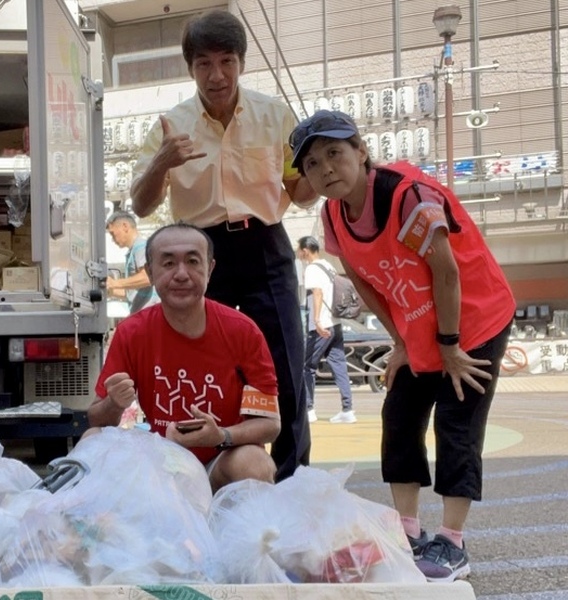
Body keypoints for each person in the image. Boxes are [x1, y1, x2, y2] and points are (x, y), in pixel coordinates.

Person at [290, 109, 515, 582]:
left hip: (474, 320)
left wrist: (450, 347)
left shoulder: (407, 196)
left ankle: (452, 545)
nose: (325, 168)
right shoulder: (333, 213)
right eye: (312, 163)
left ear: (362, 151)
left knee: (458, 421)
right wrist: (402, 342)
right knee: (400, 417)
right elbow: (362, 278)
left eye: (334, 153)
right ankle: (406, 532)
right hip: (423, 325)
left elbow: (446, 272)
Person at [130, 9, 319, 481]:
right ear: (190, 68)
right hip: (198, 253)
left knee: (285, 368)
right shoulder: (170, 125)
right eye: (204, 64)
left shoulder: (275, 116)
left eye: (227, 61)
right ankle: (205, 475)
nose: (217, 75)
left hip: (265, 247)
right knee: (202, 368)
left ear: (241, 62)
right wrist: (162, 163)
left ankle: (291, 484)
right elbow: (139, 204)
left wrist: (325, 165)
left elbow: (302, 193)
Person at [89, 224, 281, 493]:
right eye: (168, 263)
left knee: (255, 463)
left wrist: (222, 436)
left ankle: (246, 533)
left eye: (193, 261)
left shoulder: (242, 331)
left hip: (222, 461)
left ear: (210, 269)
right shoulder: (131, 332)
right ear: (151, 271)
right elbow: (96, 419)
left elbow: (271, 425)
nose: (181, 274)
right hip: (160, 464)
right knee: (92, 440)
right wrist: (113, 403)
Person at [297, 235, 356, 424]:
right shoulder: (328, 266)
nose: (298, 253)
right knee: (339, 365)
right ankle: (347, 409)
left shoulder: (313, 269)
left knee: (307, 367)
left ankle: (309, 409)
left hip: (321, 325)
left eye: (299, 250)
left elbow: (317, 293)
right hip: (336, 322)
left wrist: (317, 320)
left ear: (305, 250)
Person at [105, 210, 158, 314]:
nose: (112, 239)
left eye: (113, 234)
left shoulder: (141, 247)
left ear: (125, 226)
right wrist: (109, 290)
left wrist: (115, 283)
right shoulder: (134, 251)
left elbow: (147, 278)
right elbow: (132, 292)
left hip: (149, 315)